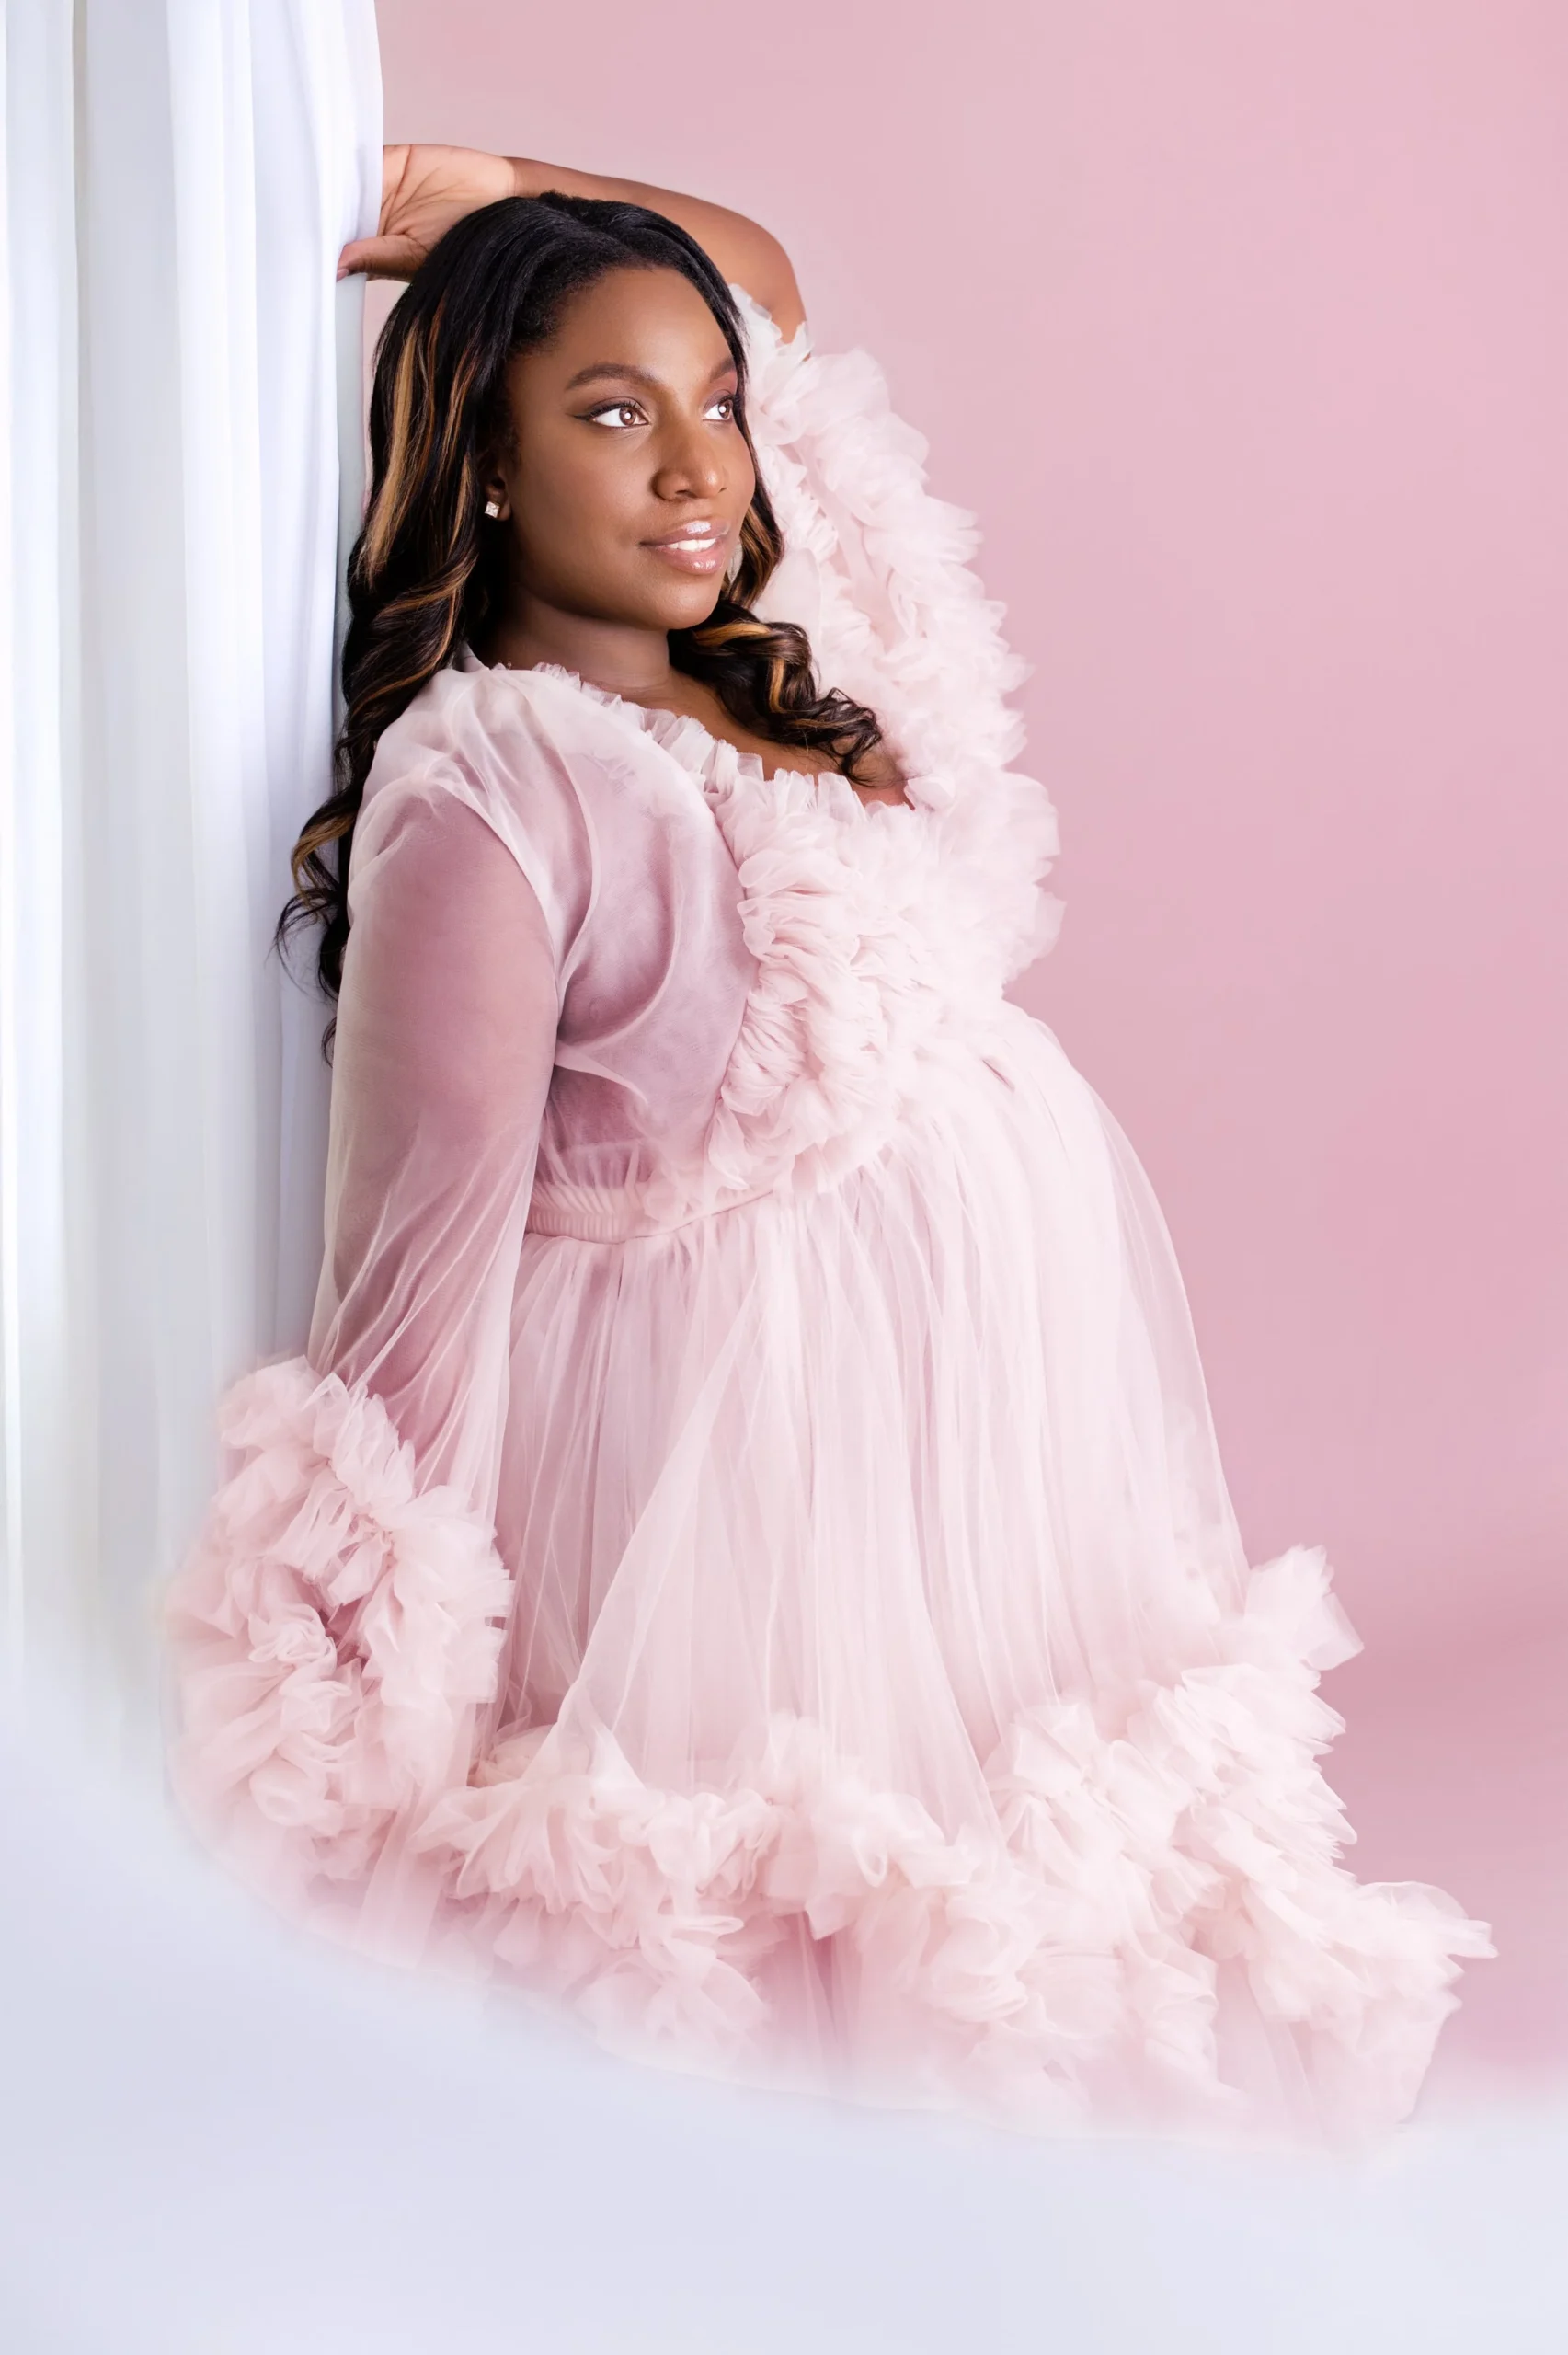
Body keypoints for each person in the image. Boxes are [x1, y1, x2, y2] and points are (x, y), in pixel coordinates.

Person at [164, 143, 1490, 2143]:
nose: (702, 469)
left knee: (1036, 1942)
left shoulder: (774, 654)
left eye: (712, 410)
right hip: (744, 1500)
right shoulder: (495, 791)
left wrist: (501, 193)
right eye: (614, 417)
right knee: (817, 1953)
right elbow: (412, 1301)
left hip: (983, 1497)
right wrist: (348, 1744)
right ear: (489, 466)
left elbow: (760, 286)